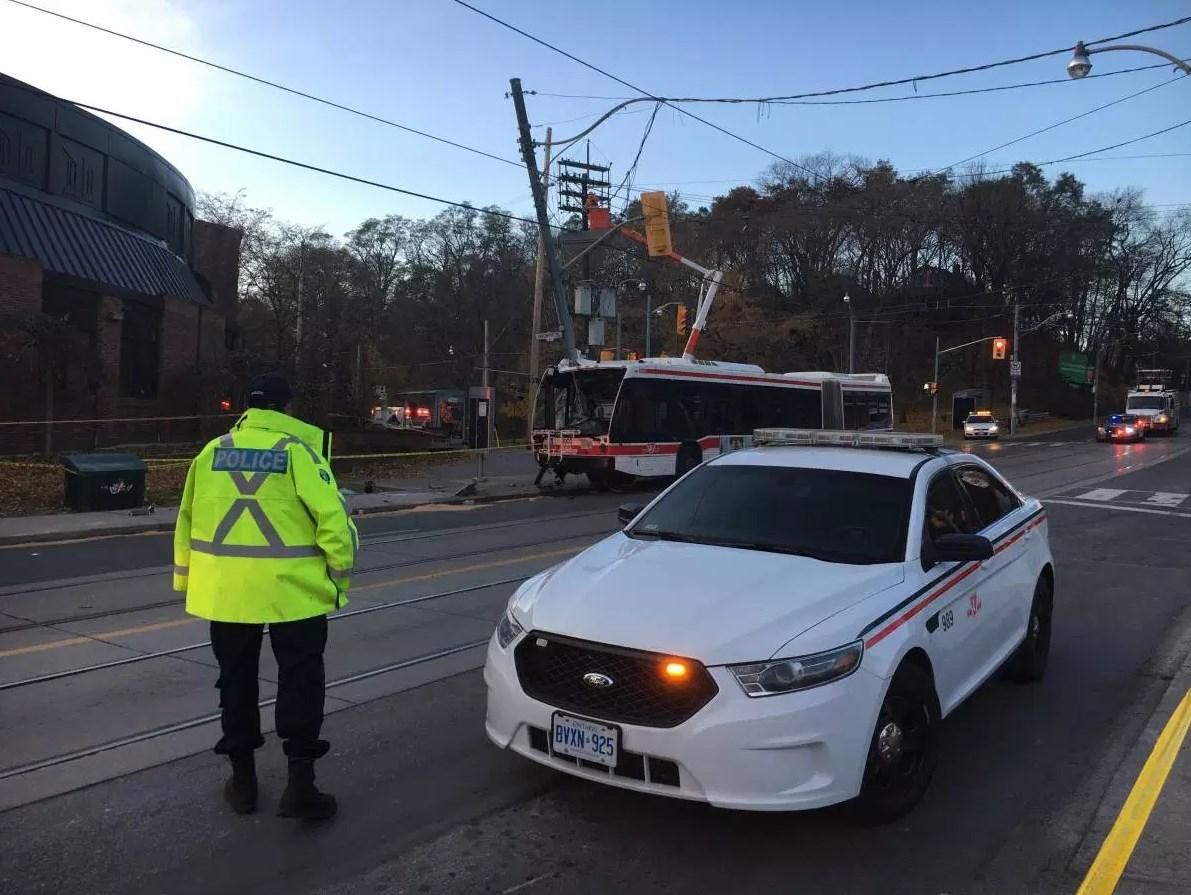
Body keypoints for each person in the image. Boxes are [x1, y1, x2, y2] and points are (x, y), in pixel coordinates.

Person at [173, 372, 358, 820]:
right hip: (294, 593)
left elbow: (186, 521)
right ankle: (300, 786)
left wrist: (188, 580)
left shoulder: (210, 453)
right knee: (300, 682)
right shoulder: (298, 453)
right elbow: (333, 520)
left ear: (248, 410)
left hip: (227, 596)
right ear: (287, 409)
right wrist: (339, 574)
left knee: (235, 683)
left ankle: (243, 783)